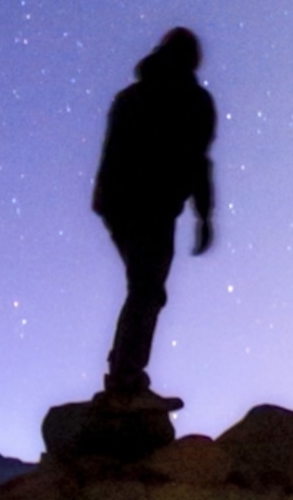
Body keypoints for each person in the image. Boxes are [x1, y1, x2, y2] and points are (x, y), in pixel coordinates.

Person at [92, 26, 217, 401]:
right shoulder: (193, 100)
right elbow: (197, 162)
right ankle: (125, 379)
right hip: (152, 206)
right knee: (147, 289)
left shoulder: (130, 96)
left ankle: (124, 373)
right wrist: (204, 215)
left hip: (117, 204)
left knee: (145, 288)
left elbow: (113, 151)